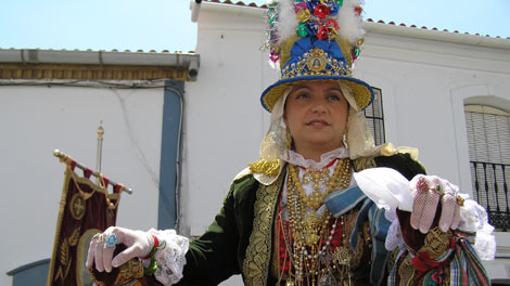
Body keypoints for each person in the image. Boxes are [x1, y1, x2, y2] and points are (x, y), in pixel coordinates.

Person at [86, 0, 495, 285]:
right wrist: (150, 247)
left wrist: (437, 223)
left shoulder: (394, 176)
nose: (319, 106)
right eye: (303, 95)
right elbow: (204, 261)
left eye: (333, 95)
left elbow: (430, 262)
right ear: (283, 112)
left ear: (350, 110)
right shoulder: (252, 188)